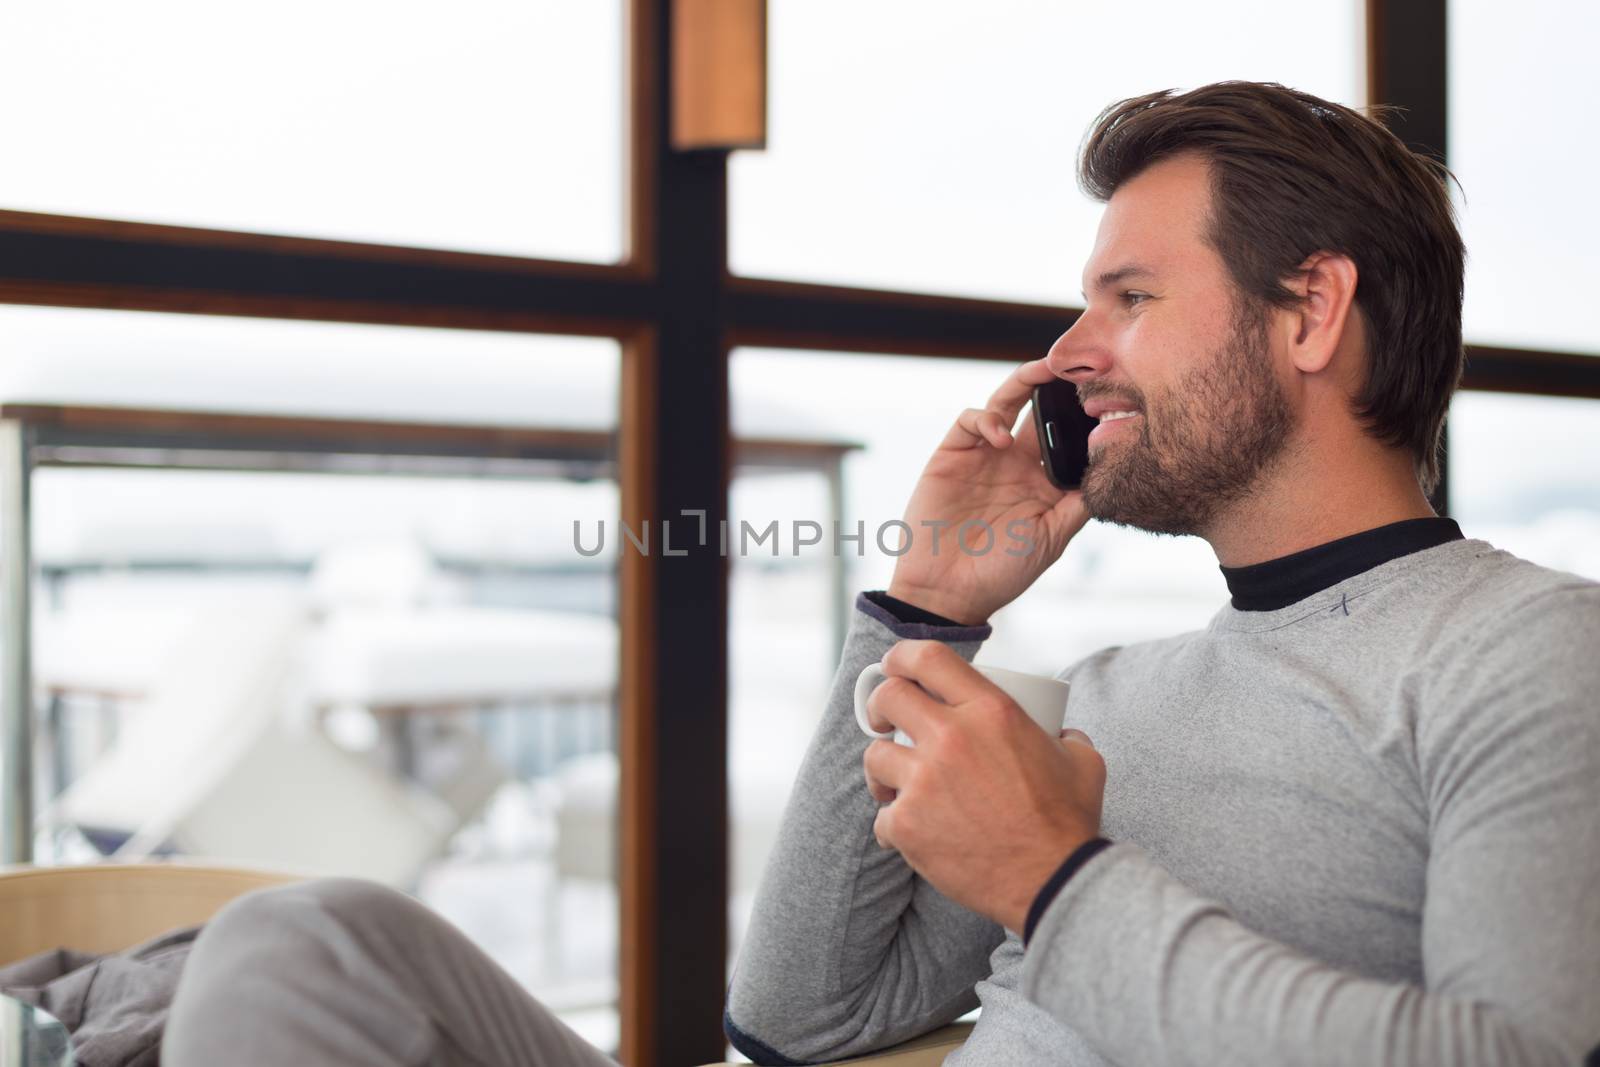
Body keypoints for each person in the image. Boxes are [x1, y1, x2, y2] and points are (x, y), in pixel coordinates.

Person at [163, 81, 1600, 1067]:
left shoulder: (1525, 652)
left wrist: (1057, 879)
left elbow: (1520, 1053)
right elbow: (801, 1019)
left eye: (1133, 296)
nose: (1070, 350)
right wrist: (924, 611)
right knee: (307, 947)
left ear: (1314, 311)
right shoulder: (1110, 691)